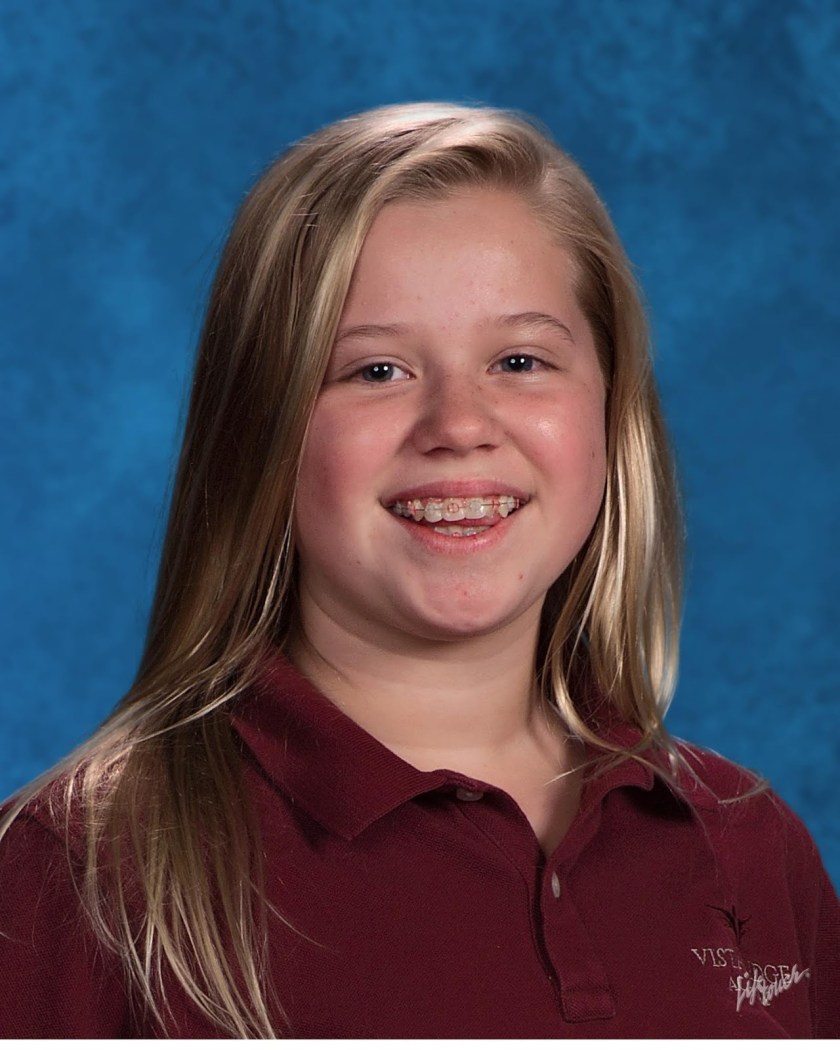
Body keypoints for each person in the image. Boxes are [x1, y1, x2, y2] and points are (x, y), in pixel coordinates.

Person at [0, 102, 837, 1039]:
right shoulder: (76, 877)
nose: (459, 425)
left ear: (611, 410)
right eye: (376, 371)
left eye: (519, 360)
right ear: (261, 429)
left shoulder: (747, 848)